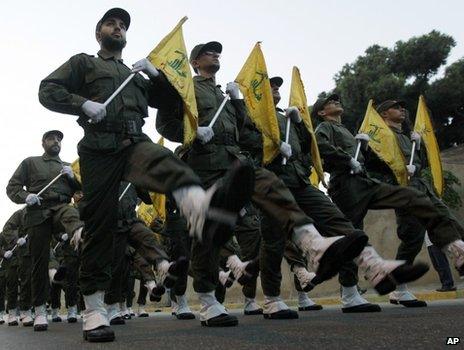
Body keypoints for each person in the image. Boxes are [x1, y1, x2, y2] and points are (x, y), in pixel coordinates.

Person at [38, 9, 251, 342]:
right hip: (99, 147)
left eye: (123, 25)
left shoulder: (134, 75)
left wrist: (156, 76)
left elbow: (170, 103)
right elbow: (47, 89)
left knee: (171, 166)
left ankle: (201, 211)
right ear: (99, 34)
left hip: (134, 139)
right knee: (100, 224)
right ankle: (94, 308)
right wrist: (81, 104)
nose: (118, 28)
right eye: (111, 24)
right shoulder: (85, 63)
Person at [156, 40, 372, 325]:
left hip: (236, 163)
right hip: (204, 165)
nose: (215, 55)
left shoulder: (225, 95)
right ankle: (207, 300)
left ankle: (312, 243)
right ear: (195, 62)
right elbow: (165, 124)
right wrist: (193, 132)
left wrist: (240, 106)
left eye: (217, 52)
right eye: (208, 52)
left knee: (272, 191)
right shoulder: (188, 88)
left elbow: (247, 133)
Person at [313, 94, 464, 305]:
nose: (337, 102)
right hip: (346, 184)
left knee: (412, 199)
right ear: (321, 112)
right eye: (331, 102)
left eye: (338, 100)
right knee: (352, 235)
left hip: (364, 182)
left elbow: (374, 161)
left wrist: (366, 149)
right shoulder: (325, 128)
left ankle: (455, 247)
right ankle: (349, 292)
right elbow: (319, 146)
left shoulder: (346, 130)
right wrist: (347, 158)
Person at [373, 99, 462, 305]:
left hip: (423, 188)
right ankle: (398, 287)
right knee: (412, 240)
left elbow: (419, 164)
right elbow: (378, 169)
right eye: (396, 107)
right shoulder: (382, 138)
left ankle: (459, 252)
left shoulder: (405, 136)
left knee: (445, 217)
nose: (402, 109)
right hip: (405, 193)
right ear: (384, 114)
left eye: (403, 107)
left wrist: (419, 146)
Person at [6, 130, 84, 332]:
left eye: (59, 139)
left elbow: (82, 189)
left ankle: (78, 233)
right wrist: (26, 196)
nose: (56, 141)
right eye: (52, 138)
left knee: (70, 213)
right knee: (39, 262)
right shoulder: (30, 162)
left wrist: (74, 178)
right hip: (38, 211)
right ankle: (40, 310)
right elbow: (12, 187)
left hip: (60, 207)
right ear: (43, 143)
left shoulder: (66, 166)